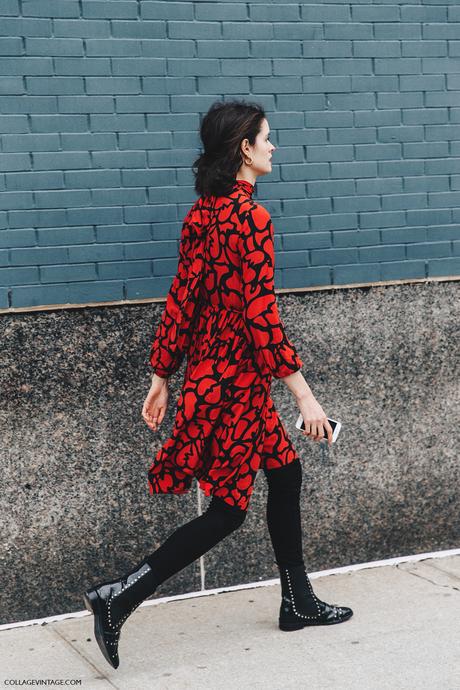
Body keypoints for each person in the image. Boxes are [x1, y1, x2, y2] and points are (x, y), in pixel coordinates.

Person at [83, 99, 353, 670]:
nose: (274, 147)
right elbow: (261, 316)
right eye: (267, 138)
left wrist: (162, 375)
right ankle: (118, 596)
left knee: (286, 473)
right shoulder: (250, 218)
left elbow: (181, 299)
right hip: (236, 385)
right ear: (243, 150)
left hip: (215, 378)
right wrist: (305, 397)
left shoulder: (202, 213)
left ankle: (296, 600)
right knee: (228, 510)